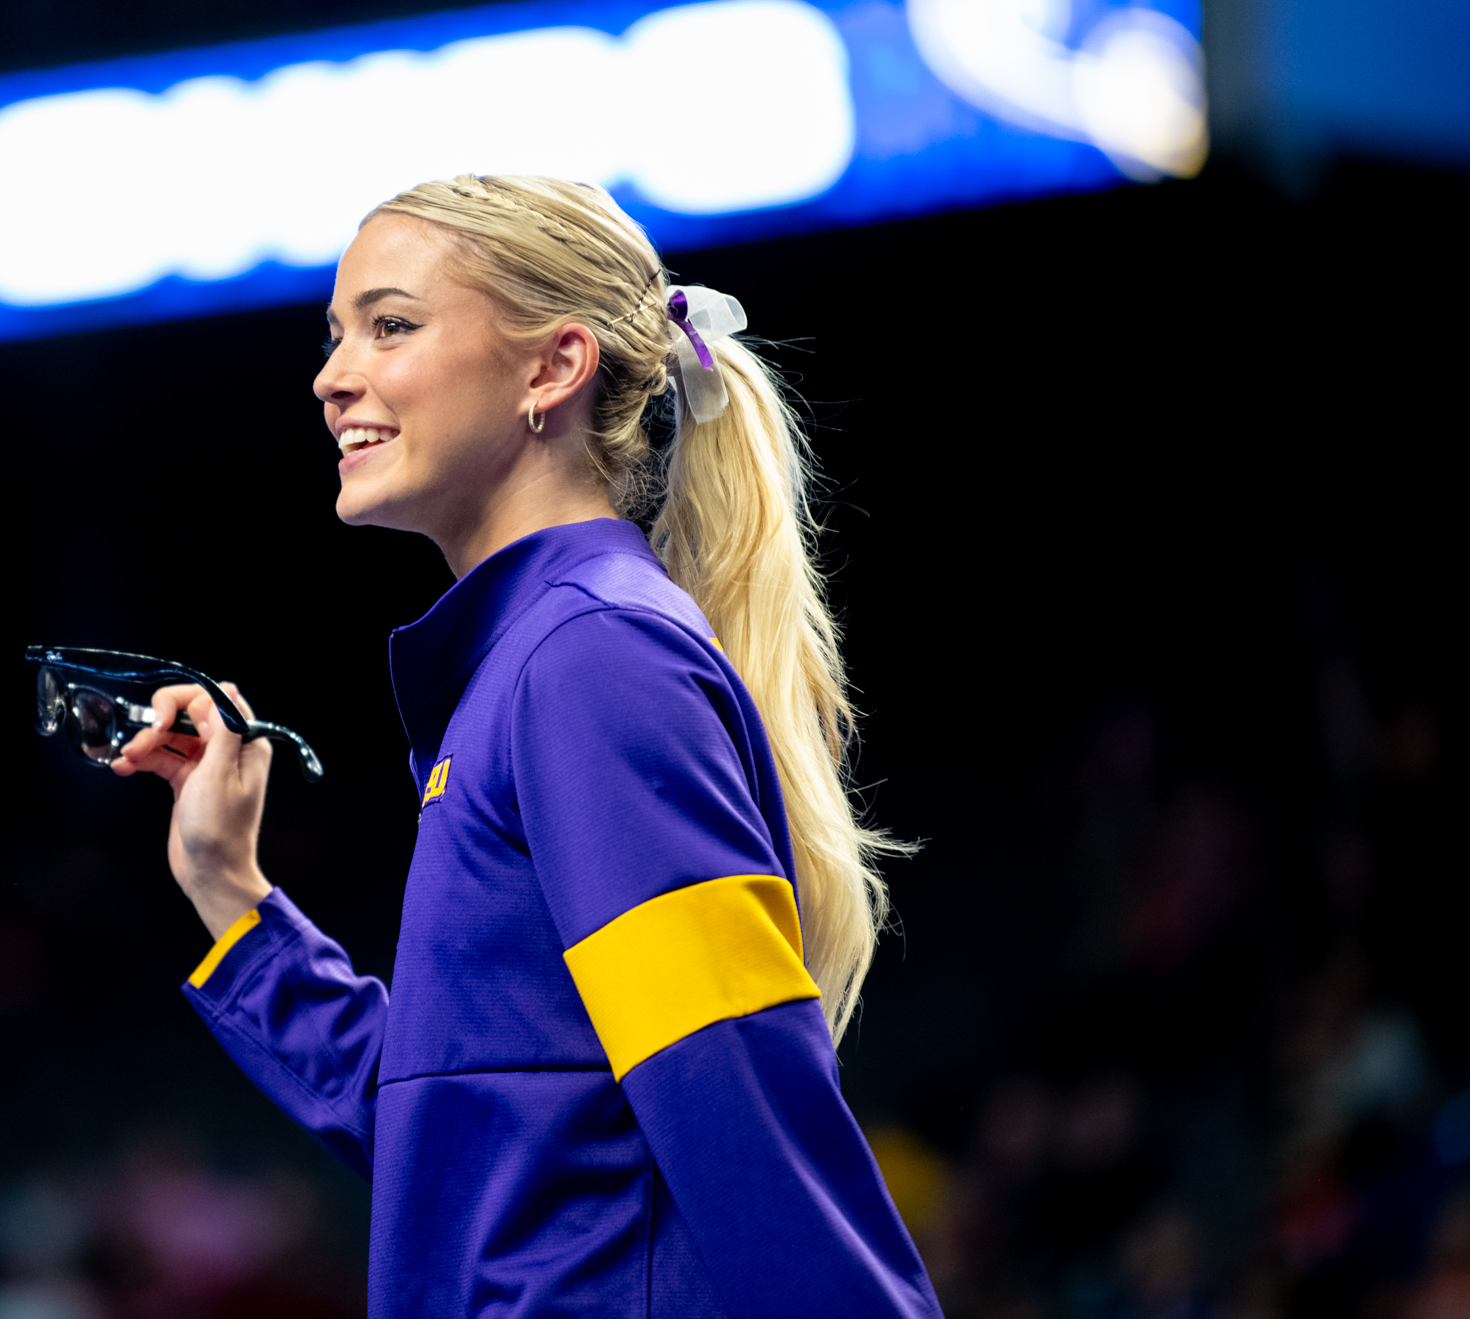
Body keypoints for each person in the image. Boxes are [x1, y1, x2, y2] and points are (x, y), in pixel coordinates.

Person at [111, 174, 941, 1317]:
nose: (330, 374)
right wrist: (229, 891)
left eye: (390, 325)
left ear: (551, 367)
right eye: (334, 333)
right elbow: (455, 1138)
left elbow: (736, 1094)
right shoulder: (537, 662)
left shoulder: (590, 658)